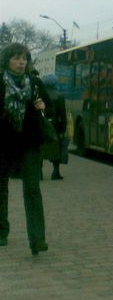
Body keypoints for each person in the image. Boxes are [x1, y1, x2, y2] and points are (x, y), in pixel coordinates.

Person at [0, 43, 50, 255]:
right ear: (7, 60)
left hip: (29, 144)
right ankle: (2, 232)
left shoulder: (36, 83)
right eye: (17, 58)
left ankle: (37, 239)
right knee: (1, 189)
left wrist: (43, 106)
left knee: (32, 189)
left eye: (24, 58)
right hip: (3, 144)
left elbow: (49, 104)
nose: (21, 62)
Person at [42, 74, 67, 180]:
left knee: (41, 149)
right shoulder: (59, 96)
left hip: (41, 126)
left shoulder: (39, 95)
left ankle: (39, 173)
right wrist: (63, 129)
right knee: (57, 149)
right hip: (55, 127)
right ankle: (55, 172)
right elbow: (63, 115)